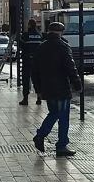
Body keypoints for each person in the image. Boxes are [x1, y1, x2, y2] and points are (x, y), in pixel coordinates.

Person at [32, 22, 82, 157]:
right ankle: (60, 145)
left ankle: (43, 136)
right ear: (61, 32)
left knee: (54, 112)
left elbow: (34, 71)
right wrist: (77, 84)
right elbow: (71, 67)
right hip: (61, 87)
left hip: (47, 87)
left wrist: (38, 89)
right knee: (62, 116)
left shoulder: (41, 47)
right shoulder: (63, 47)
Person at [19, 19, 43, 105]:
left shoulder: (25, 35)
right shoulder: (39, 35)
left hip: (27, 60)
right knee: (37, 79)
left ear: (29, 25)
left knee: (26, 79)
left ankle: (25, 99)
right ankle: (39, 98)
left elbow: (21, 45)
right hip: (37, 61)